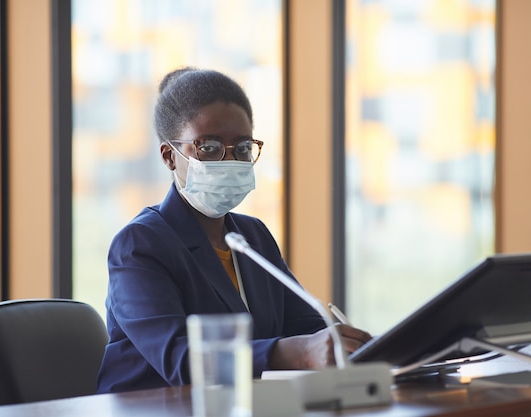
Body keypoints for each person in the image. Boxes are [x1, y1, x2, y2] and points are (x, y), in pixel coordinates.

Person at [96, 68, 371, 393]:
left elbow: (307, 329)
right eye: (208, 147)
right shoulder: (139, 245)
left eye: (242, 148)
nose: (230, 159)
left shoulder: (252, 238)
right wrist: (299, 353)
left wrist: (354, 347)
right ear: (170, 156)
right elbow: (180, 360)